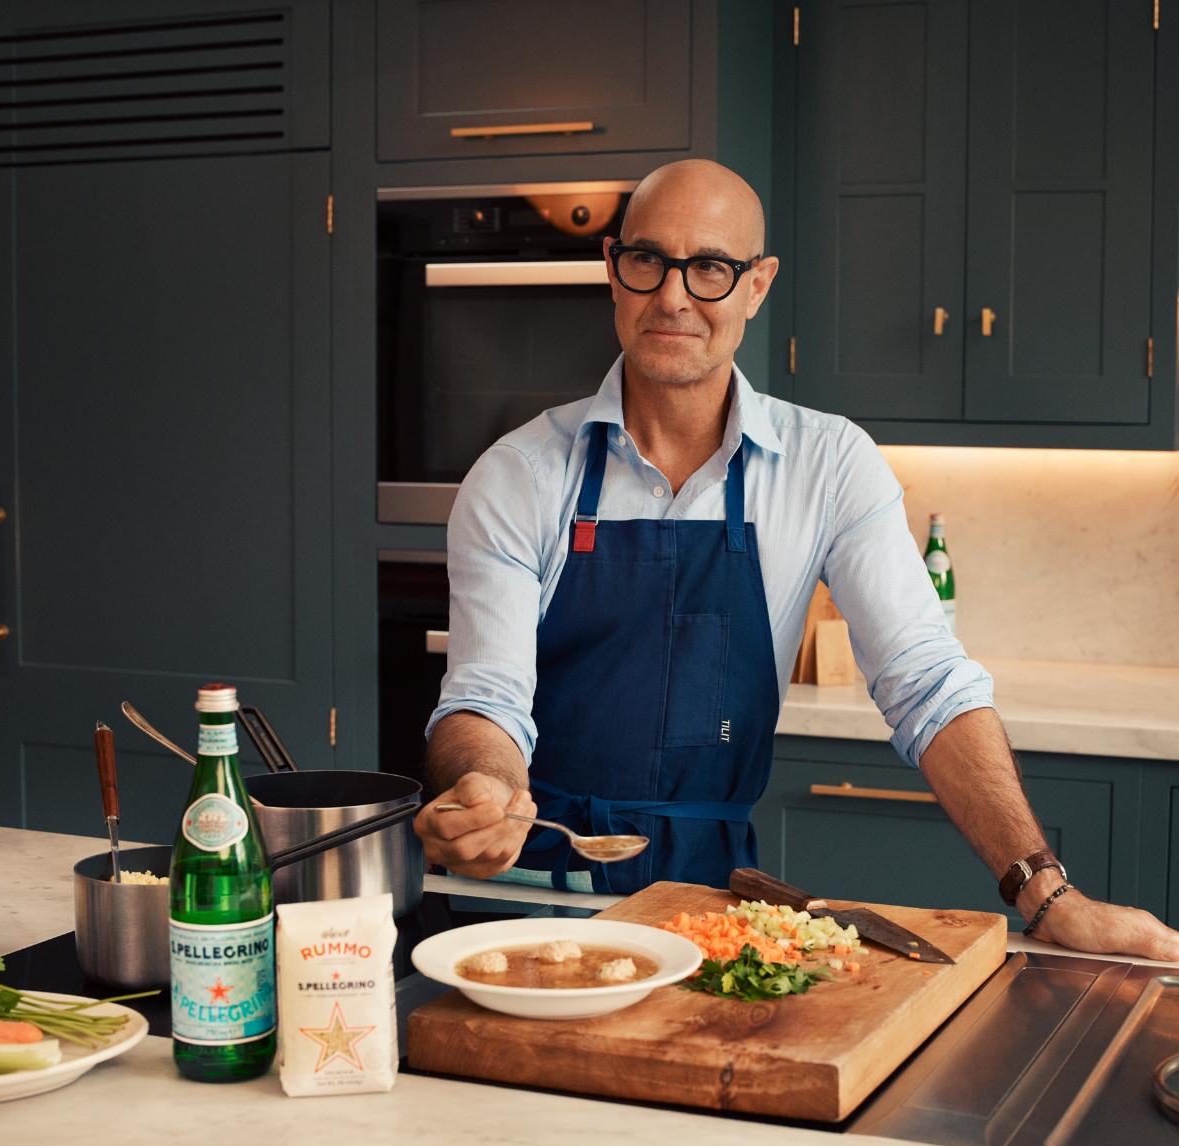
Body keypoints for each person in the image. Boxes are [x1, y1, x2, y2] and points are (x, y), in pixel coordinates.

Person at [413, 158, 1179, 962]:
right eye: (648, 260)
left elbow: (927, 682)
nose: (673, 296)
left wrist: (1047, 893)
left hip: (705, 904)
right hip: (527, 896)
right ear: (613, 270)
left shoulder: (828, 464)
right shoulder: (521, 474)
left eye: (710, 267)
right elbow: (485, 699)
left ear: (757, 285)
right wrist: (489, 789)